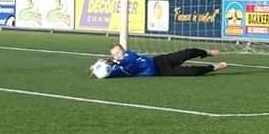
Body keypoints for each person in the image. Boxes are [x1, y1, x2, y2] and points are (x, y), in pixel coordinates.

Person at [91, 43, 228, 78]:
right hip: (162, 71)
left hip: (160, 60)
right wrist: (97, 70)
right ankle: (214, 67)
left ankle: (207, 53)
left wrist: (114, 62)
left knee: (188, 52)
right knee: (192, 72)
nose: (117, 56)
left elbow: (128, 61)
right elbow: (113, 73)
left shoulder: (129, 56)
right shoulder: (119, 68)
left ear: (123, 51)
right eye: (115, 55)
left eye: (118, 52)